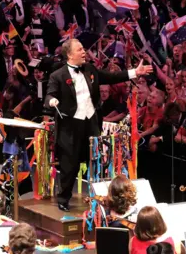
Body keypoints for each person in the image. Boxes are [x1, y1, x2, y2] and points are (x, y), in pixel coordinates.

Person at [45, 38, 152, 211]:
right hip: (70, 127)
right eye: (80, 49)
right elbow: (49, 95)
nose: (84, 52)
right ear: (70, 54)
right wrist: (52, 101)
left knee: (96, 162)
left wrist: (134, 72)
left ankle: (99, 198)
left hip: (91, 124)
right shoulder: (57, 75)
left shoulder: (90, 69)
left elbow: (111, 77)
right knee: (69, 165)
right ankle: (63, 199)